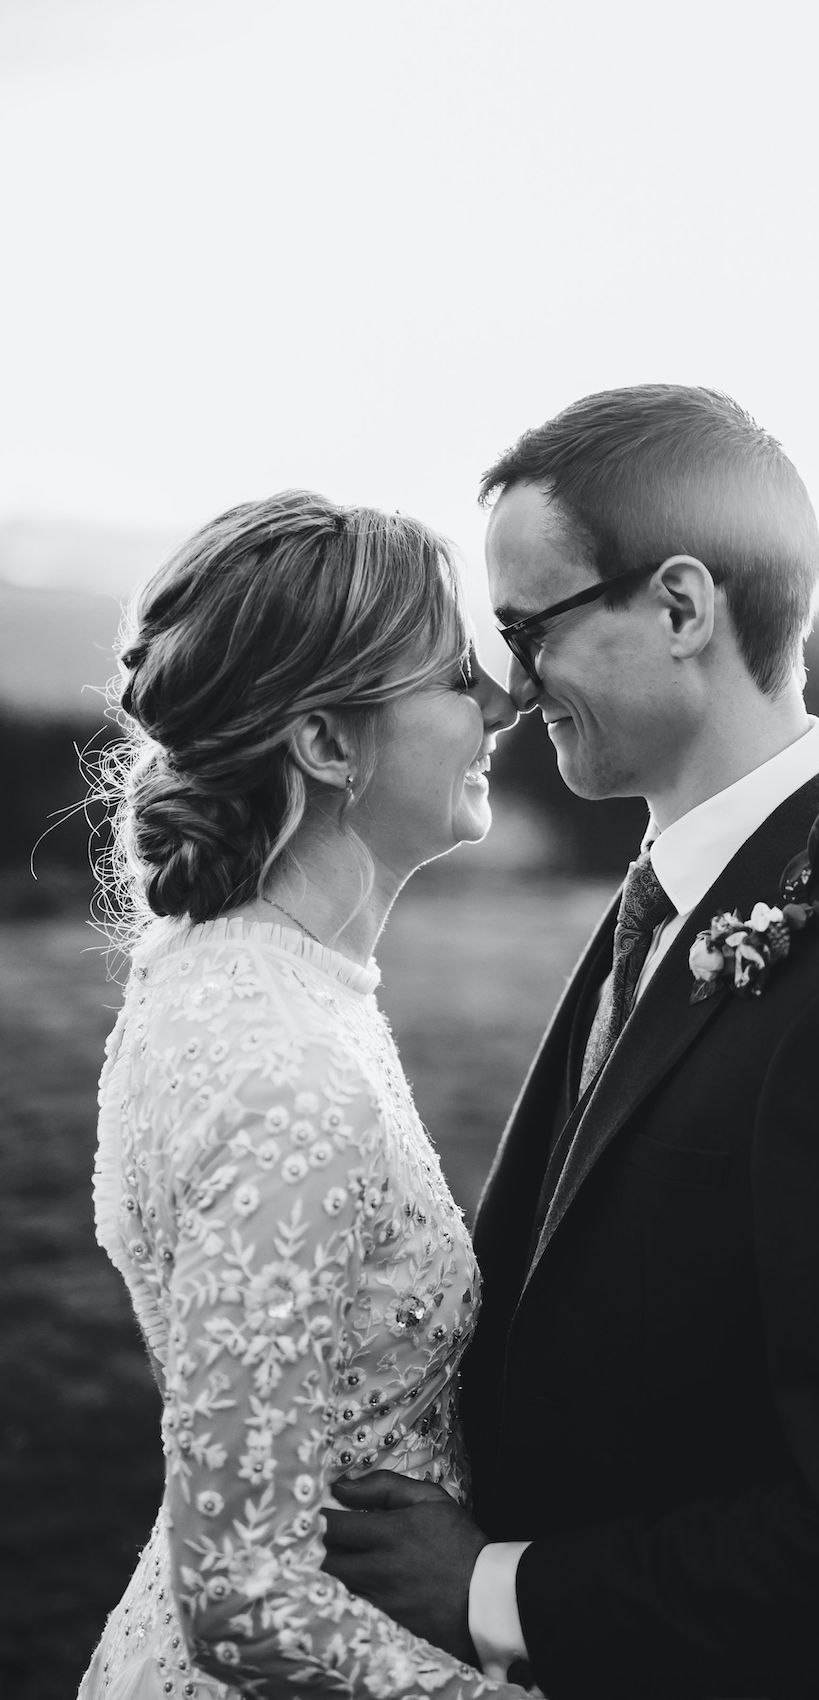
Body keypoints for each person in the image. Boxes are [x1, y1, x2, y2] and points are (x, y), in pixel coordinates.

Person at [320, 386, 819, 1700]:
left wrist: (490, 1590)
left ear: (684, 608)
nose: (512, 687)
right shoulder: (674, 887)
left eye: (531, 630)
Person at [77, 492, 536, 1699]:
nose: (499, 703)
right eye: (453, 677)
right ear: (329, 746)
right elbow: (241, 1595)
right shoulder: (285, 1067)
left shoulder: (244, 979)